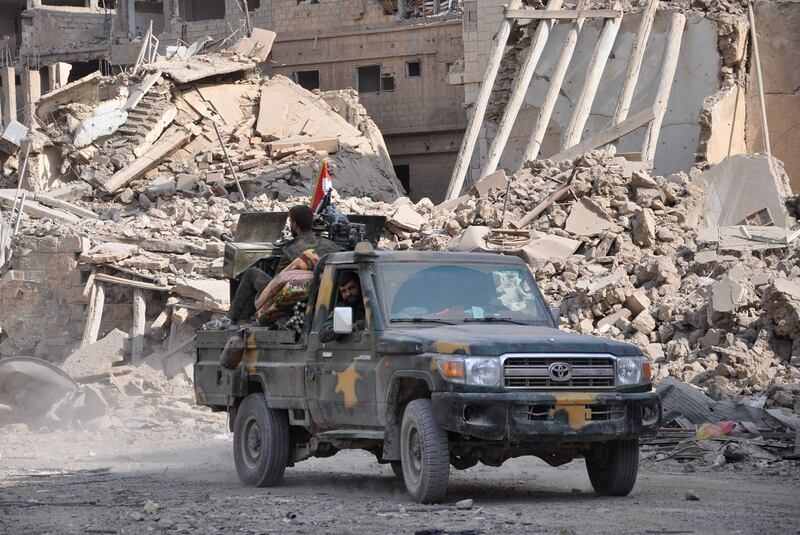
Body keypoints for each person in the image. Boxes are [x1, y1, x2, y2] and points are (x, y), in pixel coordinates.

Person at [229, 205, 340, 321]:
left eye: (291, 221)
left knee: (251, 273)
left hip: (292, 297)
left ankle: (231, 318)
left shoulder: (291, 250)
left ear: (294, 225)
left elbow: (277, 283)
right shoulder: (331, 245)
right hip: (324, 294)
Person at [319, 272, 365, 343]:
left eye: (351, 288)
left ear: (359, 286)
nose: (348, 293)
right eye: (344, 291)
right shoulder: (343, 309)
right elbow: (323, 334)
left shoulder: (373, 303)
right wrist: (355, 326)